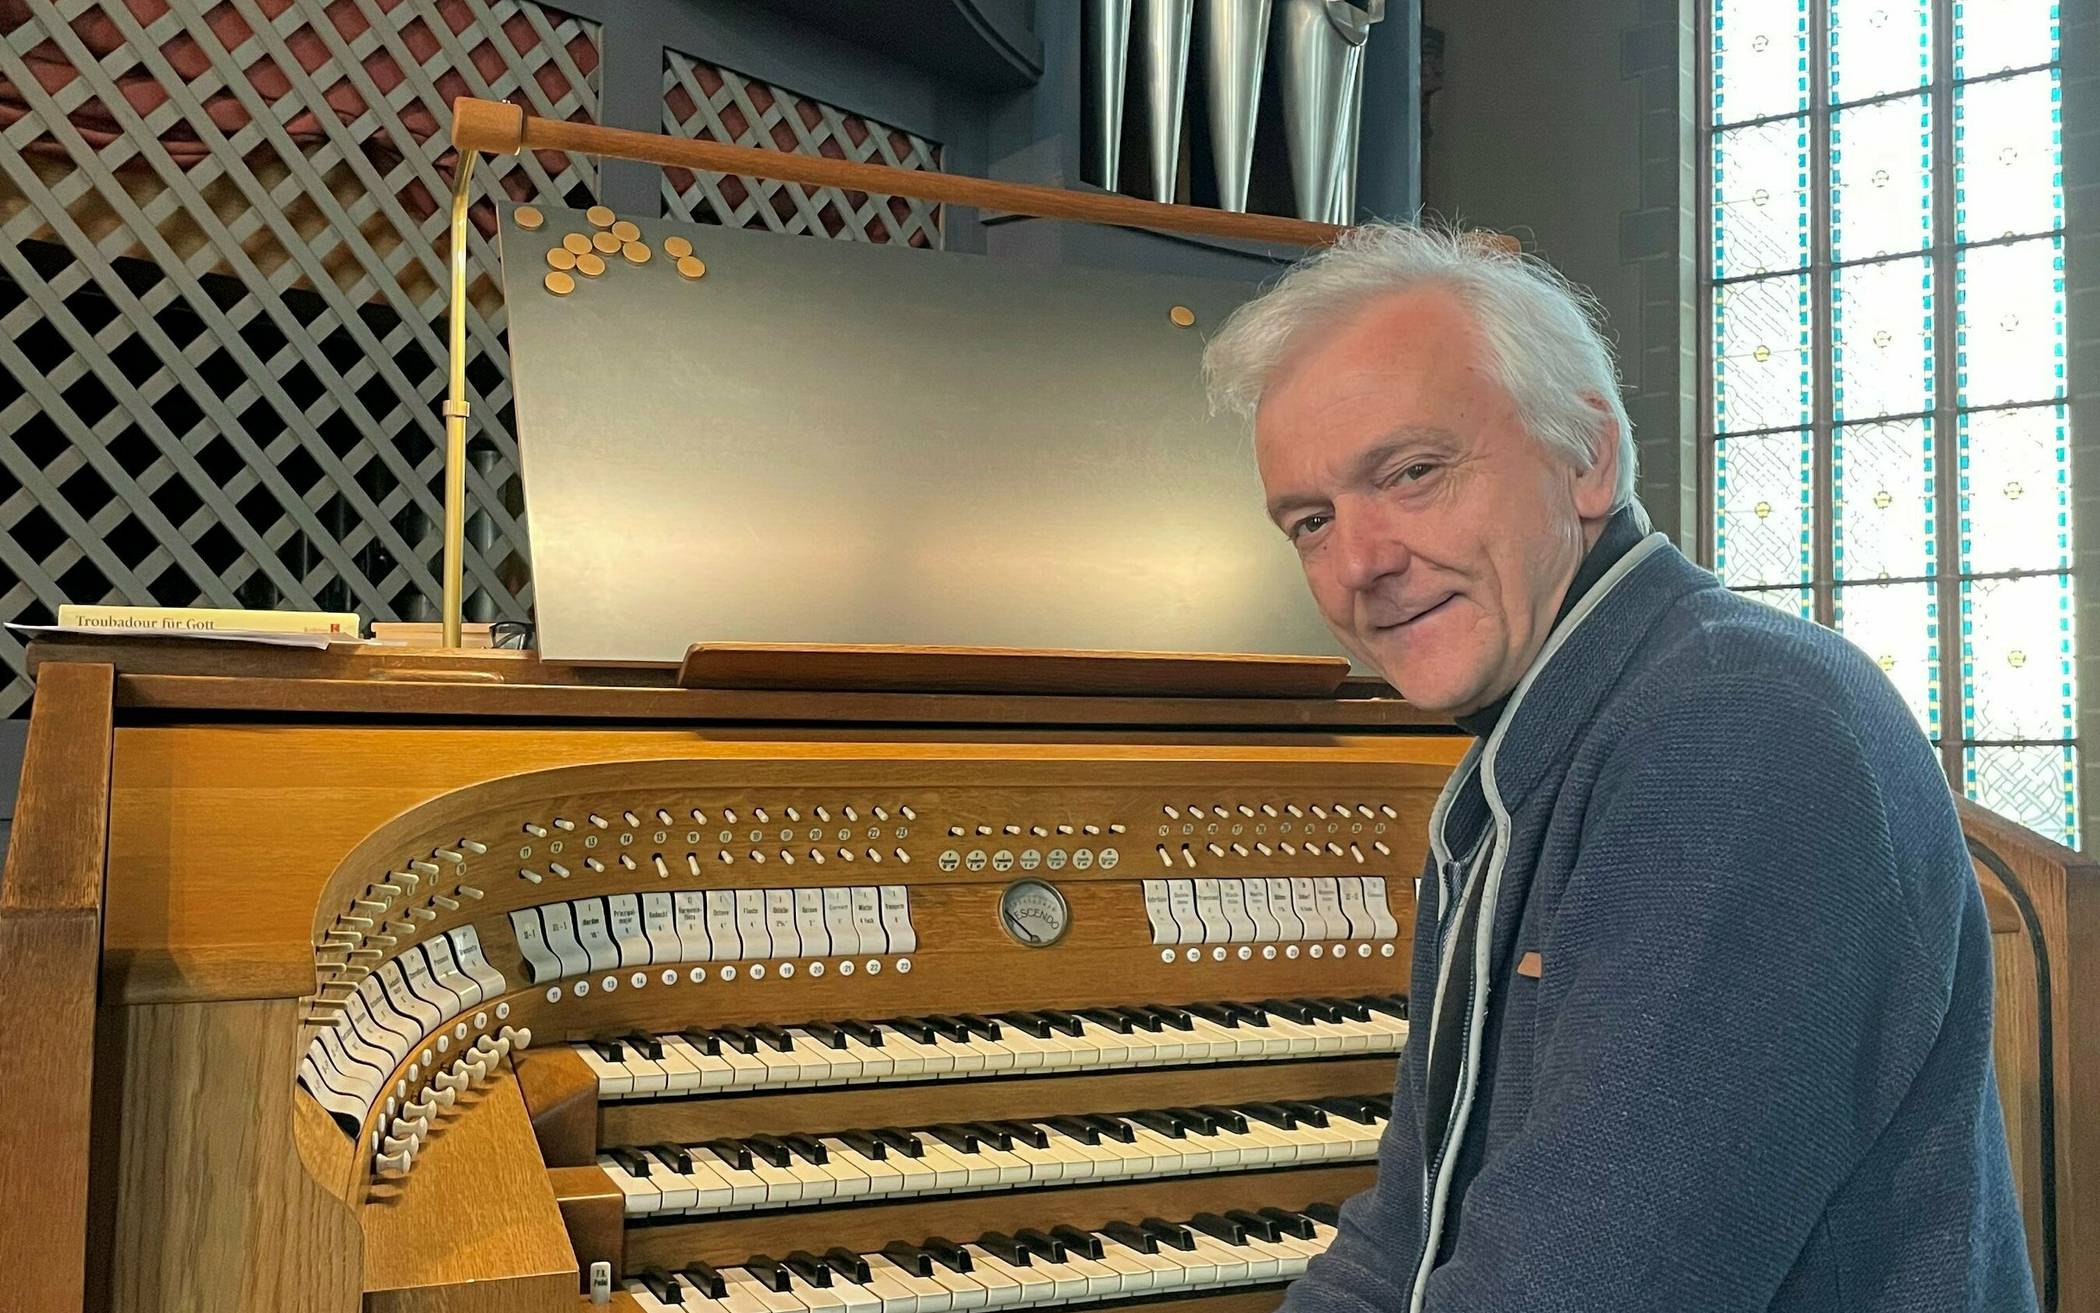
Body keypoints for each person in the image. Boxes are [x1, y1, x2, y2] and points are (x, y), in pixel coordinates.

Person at [1201, 223, 2035, 1313]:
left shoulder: (1738, 728)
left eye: (1412, 472)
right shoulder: (1539, 740)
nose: (1359, 562)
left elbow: (1587, 1286)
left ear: (1586, 456)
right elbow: (1396, 1243)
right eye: (1310, 520)